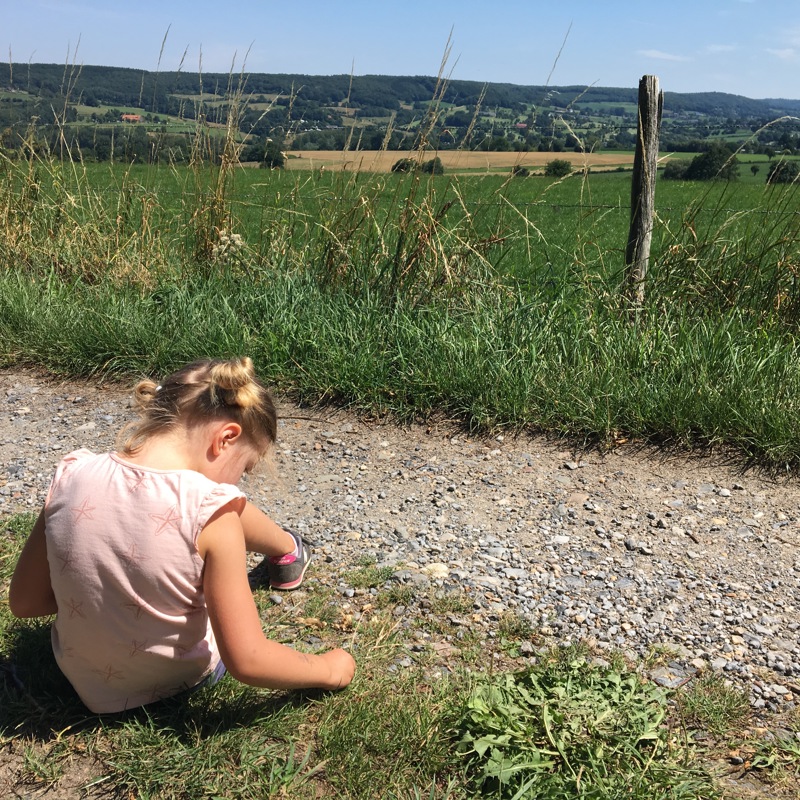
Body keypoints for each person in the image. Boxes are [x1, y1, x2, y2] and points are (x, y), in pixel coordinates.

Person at [9, 357, 356, 713]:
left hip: (79, 676)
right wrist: (330, 669)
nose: (239, 481)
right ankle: (286, 549)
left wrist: (98, 594)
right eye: (245, 468)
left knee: (215, 503)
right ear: (226, 438)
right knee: (219, 505)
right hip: (176, 681)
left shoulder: (72, 474)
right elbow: (249, 660)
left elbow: (25, 603)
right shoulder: (212, 515)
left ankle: (285, 547)